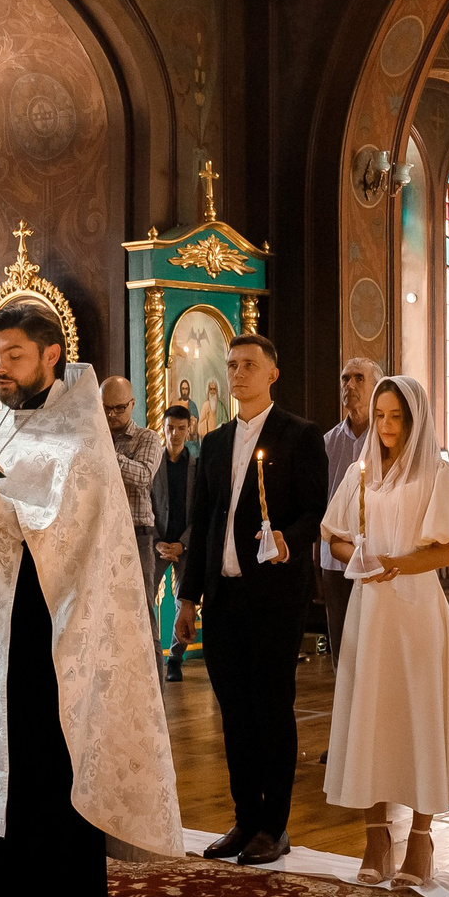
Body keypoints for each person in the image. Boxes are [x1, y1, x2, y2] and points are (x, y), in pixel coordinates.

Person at [0, 306, 182, 897]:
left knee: (36, 770)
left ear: (51, 354)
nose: (0, 369)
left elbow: (65, 521)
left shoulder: (79, 434)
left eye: (12, 355)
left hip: (40, 632)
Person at [320, 376, 449, 889]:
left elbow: (446, 550)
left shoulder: (437, 475)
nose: (386, 427)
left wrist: (395, 561)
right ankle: (375, 837)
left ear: (414, 420)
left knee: (418, 716)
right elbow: (335, 537)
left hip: (415, 609)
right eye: (381, 415)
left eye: (396, 417)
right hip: (370, 608)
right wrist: (360, 556)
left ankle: (420, 840)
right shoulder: (360, 473)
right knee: (371, 714)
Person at [176, 333, 329, 865]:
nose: (237, 374)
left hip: (273, 598)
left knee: (271, 710)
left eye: (248, 366)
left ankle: (275, 826)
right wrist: (188, 599)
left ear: (272, 375)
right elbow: (202, 522)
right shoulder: (215, 442)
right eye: (232, 365)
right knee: (234, 714)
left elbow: (316, 510)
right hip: (223, 598)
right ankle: (244, 820)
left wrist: (290, 537)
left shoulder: (300, 436)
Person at [319, 357, 381, 662]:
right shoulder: (328, 442)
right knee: (342, 637)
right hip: (335, 557)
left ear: (377, 387)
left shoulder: (388, 438)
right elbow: (321, 501)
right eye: (345, 379)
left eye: (359, 378)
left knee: (375, 637)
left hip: (378, 552)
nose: (350, 385)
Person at [102, 376, 166, 624]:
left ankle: (154, 664)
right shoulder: (94, 437)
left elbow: (143, 475)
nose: (112, 414)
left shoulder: (147, 438)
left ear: (133, 403)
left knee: (142, 614)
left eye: (119, 407)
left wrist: (106, 452)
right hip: (103, 535)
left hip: (136, 536)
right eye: (106, 408)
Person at [151, 403, 198, 682]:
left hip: (185, 543)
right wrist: (157, 541)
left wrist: (183, 543)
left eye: (181, 428)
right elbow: (145, 502)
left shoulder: (197, 464)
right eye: (171, 428)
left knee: (186, 600)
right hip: (156, 541)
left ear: (189, 428)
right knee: (145, 597)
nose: (176, 434)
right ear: (164, 428)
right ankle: (152, 654)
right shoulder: (153, 462)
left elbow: (200, 509)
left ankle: (175, 658)